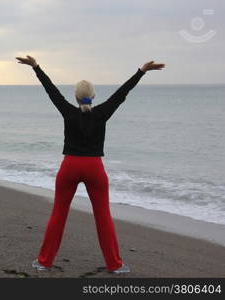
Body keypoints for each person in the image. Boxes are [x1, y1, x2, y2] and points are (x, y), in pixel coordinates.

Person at [15, 55, 165, 274]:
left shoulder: (68, 111)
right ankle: (114, 265)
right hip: (94, 168)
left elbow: (52, 91)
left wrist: (36, 67)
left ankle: (44, 262)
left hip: (69, 167)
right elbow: (121, 94)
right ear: (93, 96)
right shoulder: (102, 113)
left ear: (76, 98)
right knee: (103, 215)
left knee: (58, 213)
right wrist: (141, 71)